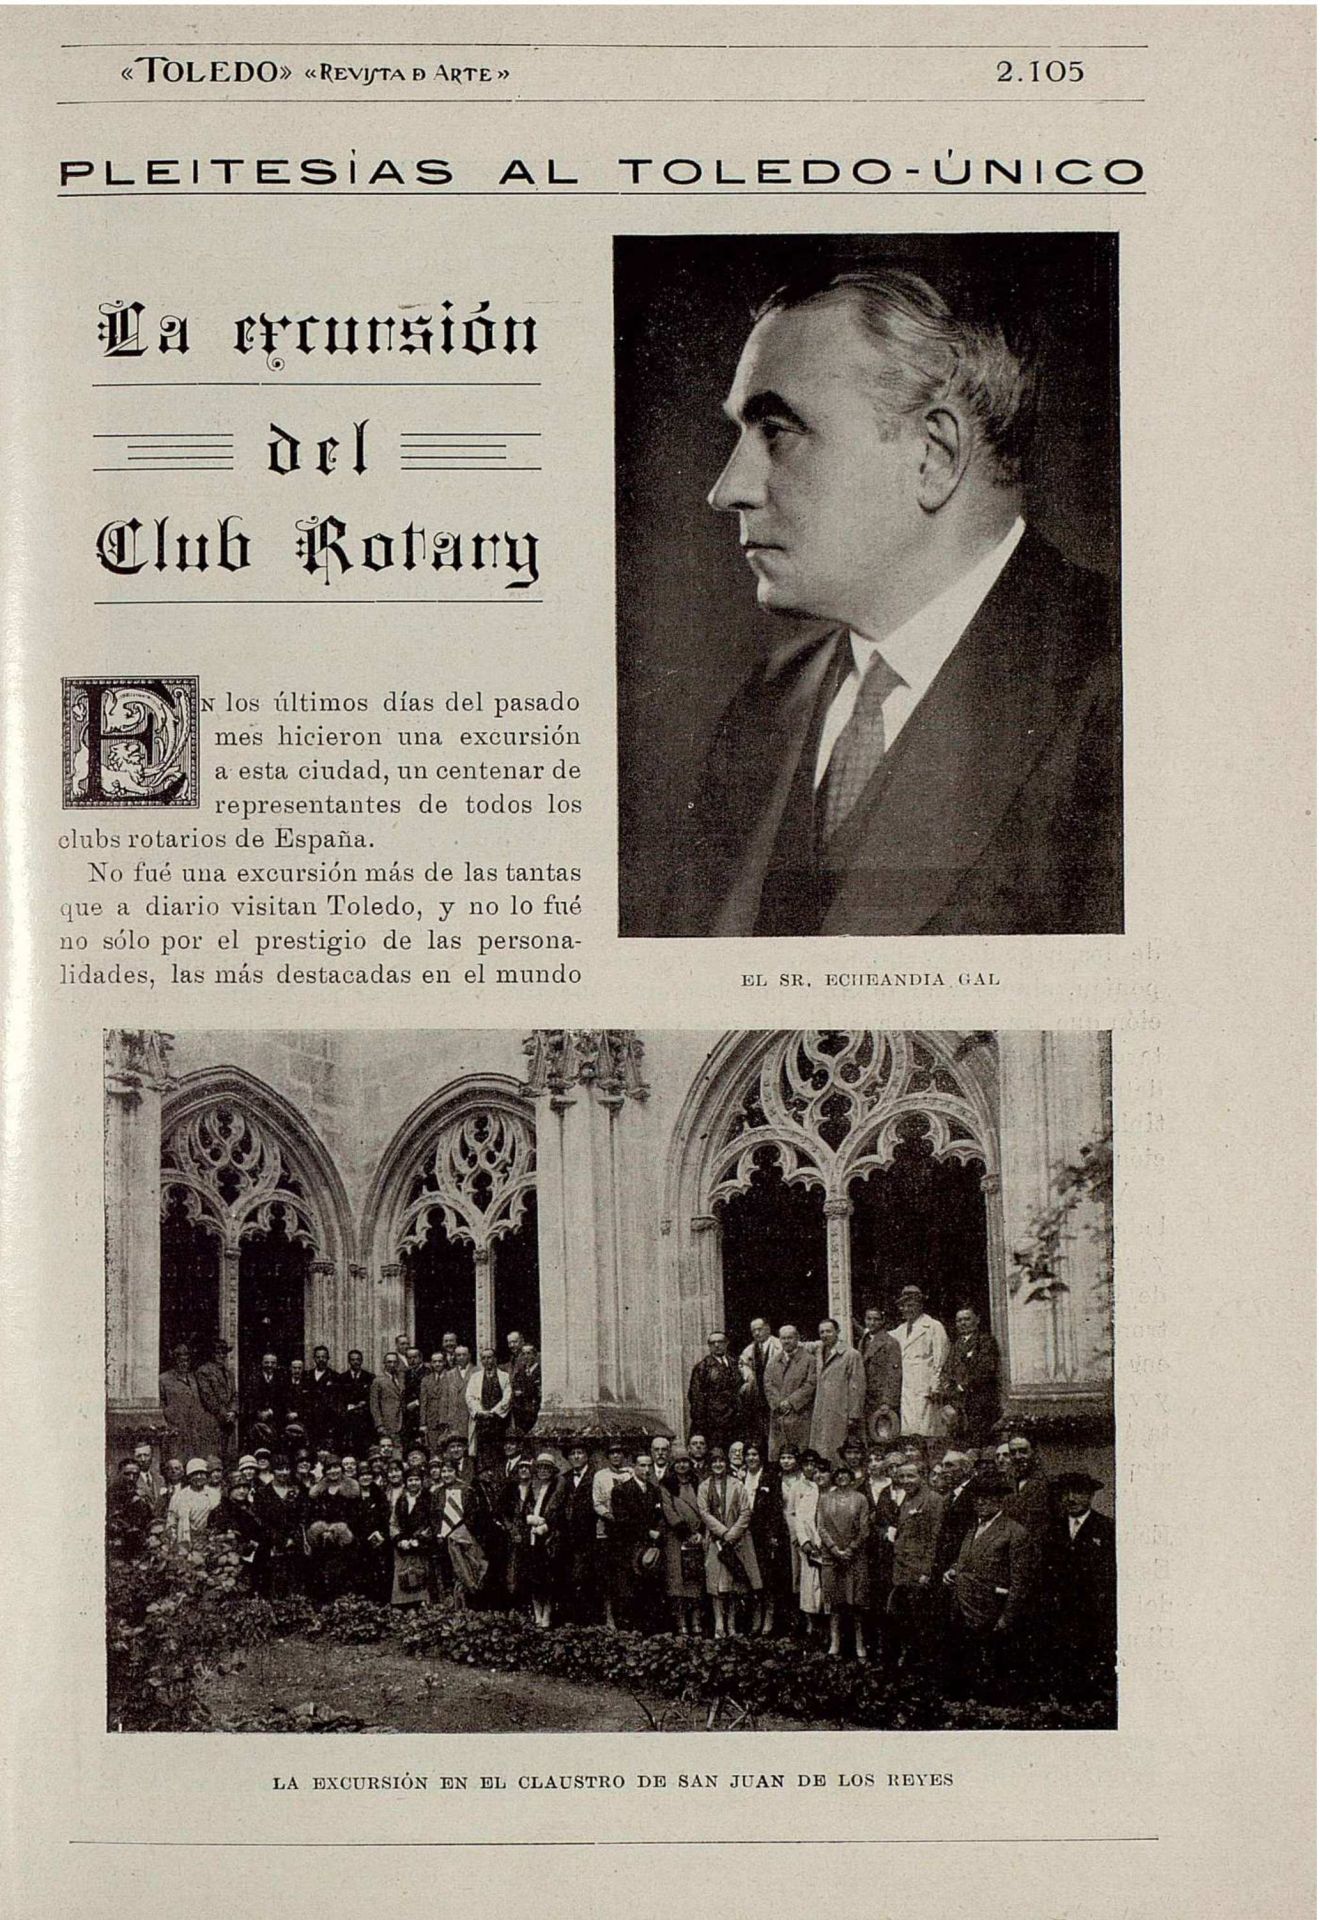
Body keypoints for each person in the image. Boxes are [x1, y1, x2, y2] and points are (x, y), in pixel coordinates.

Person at [677, 260, 1121, 938]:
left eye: (778, 431)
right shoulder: (766, 706)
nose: (727, 488)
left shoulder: (1126, 683)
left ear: (934, 455)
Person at [943, 1465, 1033, 1699]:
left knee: (992, 1676)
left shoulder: (1014, 1532)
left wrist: (1006, 1618)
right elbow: (966, 1561)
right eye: (977, 1498)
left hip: (990, 1612)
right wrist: (951, 1571)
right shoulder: (972, 1529)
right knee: (964, 1670)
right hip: (963, 1606)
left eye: (988, 1498)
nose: (981, 1503)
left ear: (1000, 1501)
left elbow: (1020, 1583)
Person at [1040, 1471, 1117, 1699]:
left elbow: (1109, 1575)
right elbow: (1046, 1571)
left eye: (1078, 1492)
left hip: (1091, 1613)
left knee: (1090, 1665)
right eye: (1066, 1493)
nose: (1071, 1498)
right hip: (1059, 1610)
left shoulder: (1105, 1528)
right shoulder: (1053, 1528)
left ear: (1090, 1496)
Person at [885, 1457, 945, 1673]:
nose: (906, 1480)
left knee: (921, 1621)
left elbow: (934, 1539)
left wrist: (926, 1571)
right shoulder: (907, 1499)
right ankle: (906, 1662)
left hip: (918, 1570)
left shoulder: (933, 1500)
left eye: (911, 1475)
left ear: (923, 1476)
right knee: (903, 1618)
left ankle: (921, 1666)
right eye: (901, 1476)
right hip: (902, 1567)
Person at [697, 1445, 760, 1637]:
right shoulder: (704, 1486)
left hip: (737, 1541)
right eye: (714, 1461)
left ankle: (731, 1624)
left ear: (726, 1463)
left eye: (721, 1461)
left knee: (734, 1585)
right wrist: (723, 1532)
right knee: (717, 1585)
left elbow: (745, 1511)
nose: (718, 1464)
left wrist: (732, 1534)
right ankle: (719, 1624)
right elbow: (704, 1512)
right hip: (716, 1541)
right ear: (710, 1464)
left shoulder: (737, 1484)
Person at [817, 1459, 872, 1660]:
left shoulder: (860, 1499)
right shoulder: (824, 1498)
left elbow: (865, 1529)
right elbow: (821, 1526)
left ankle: (859, 1642)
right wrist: (834, 1549)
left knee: (856, 1602)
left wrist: (849, 1549)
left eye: (845, 1473)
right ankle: (835, 1641)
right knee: (835, 1602)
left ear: (851, 1476)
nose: (841, 1477)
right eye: (838, 1473)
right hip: (832, 1557)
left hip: (854, 1557)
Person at [742, 1441, 790, 1635]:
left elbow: (776, 1509)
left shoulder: (770, 1478)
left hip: (764, 1533)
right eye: (748, 1455)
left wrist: (773, 1534)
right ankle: (756, 1616)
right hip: (745, 1532)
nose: (751, 1458)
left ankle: (768, 1618)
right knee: (751, 1577)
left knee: (767, 1577)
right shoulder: (741, 1476)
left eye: (755, 1454)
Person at [659, 1447, 707, 1636]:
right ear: (673, 1464)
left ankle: (696, 1621)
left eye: (685, 1461)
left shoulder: (698, 1482)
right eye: (678, 1462)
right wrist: (685, 1533)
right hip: (675, 1538)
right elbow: (669, 1511)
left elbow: (705, 1507)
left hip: (697, 1537)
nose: (681, 1465)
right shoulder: (666, 1485)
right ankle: (681, 1624)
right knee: (677, 1582)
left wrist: (700, 1532)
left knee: (694, 1581)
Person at [889, 1287, 949, 1438]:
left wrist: (936, 1385)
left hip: (925, 1383)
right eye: (903, 1306)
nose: (906, 1309)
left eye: (911, 1305)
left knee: (926, 1427)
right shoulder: (900, 1330)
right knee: (908, 1428)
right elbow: (882, 1338)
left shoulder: (934, 1326)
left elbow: (941, 1358)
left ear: (920, 1305)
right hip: (907, 1384)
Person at [936, 1307, 1001, 1446]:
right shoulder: (956, 1345)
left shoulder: (985, 1341)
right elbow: (946, 1369)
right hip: (958, 1404)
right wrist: (947, 1386)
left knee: (979, 1442)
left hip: (979, 1402)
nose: (962, 1323)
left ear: (977, 1320)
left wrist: (961, 1386)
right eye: (959, 1320)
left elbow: (985, 1369)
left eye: (967, 1319)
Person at [808, 1318, 866, 1465]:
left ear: (838, 1332)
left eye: (828, 1331)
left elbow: (857, 1387)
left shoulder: (851, 1355)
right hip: (821, 1410)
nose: (825, 1335)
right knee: (820, 1451)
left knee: (838, 1450)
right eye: (821, 1332)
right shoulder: (819, 1352)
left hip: (840, 1411)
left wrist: (853, 1415)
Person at [559, 1439, 601, 1623]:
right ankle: (572, 1619)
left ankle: (590, 1620)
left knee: (589, 1576)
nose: (576, 1456)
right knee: (569, 1576)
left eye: (580, 1453)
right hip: (568, 1535)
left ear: (586, 1456)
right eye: (573, 1454)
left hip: (589, 1534)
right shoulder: (565, 1478)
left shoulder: (595, 1476)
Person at [251, 1456, 306, 1598]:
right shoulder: (262, 1493)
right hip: (271, 1545)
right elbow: (260, 1521)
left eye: (287, 1469)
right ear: (273, 1471)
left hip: (294, 1545)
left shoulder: (297, 1491)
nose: (284, 1472)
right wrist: (279, 1540)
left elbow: (302, 1517)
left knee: (295, 1585)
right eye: (280, 1469)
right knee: (272, 1585)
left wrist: (294, 1538)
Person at [763, 1323, 816, 1460]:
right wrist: (778, 1403)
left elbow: (810, 1384)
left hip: (800, 1415)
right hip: (778, 1415)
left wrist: (791, 1402)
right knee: (778, 1454)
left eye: (790, 1338)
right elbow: (768, 1384)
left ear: (797, 1338)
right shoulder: (773, 1361)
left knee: (800, 1453)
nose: (786, 1341)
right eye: (783, 1338)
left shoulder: (809, 1360)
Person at [158, 1345, 214, 1464]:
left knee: (195, 1462)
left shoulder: (194, 1378)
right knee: (176, 1462)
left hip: (194, 1430)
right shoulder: (163, 1379)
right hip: (176, 1430)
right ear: (175, 1361)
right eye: (180, 1360)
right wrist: (167, 1424)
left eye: (187, 1360)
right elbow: (161, 1404)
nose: (184, 1364)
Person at [687, 1331, 742, 1451]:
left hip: (734, 1421)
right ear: (709, 1346)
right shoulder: (702, 1367)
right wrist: (703, 1424)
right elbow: (696, 1397)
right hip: (714, 1423)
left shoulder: (737, 1363)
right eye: (713, 1343)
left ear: (726, 1343)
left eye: (720, 1342)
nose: (717, 1345)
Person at [857, 1306, 903, 1444]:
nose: (872, 1323)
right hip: (866, 1397)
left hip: (880, 1398)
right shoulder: (863, 1340)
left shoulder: (890, 1342)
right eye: (869, 1319)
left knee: (882, 1436)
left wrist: (887, 1401)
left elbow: (894, 1374)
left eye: (876, 1319)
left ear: (882, 1321)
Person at [465, 1348, 513, 1479]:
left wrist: (494, 1412)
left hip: (499, 1421)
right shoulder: (475, 1377)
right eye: (484, 1358)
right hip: (482, 1421)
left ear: (495, 1359)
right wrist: (481, 1412)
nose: (487, 1361)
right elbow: (470, 1397)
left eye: (490, 1357)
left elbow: (507, 1397)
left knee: (499, 1451)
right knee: (482, 1451)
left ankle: (500, 1477)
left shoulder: (504, 1376)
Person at [389, 1466, 434, 1607]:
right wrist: (399, 1539)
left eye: (416, 1480)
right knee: (402, 1580)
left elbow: (433, 1523)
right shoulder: (401, 1500)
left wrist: (419, 1538)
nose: (413, 1483)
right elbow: (393, 1522)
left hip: (421, 1546)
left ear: (421, 1481)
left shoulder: (429, 1499)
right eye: (410, 1480)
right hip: (402, 1546)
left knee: (421, 1579)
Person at [737, 1317, 782, 1452]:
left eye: (759, 1329)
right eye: (753, 1331)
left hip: (776, 1393)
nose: (756, 1333)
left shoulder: (779, 1345)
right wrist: (748, 1374)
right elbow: (742, 1364)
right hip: (758, 1396)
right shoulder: (750, 1349)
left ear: (767, 1328)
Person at [195, 1340, 238, 1466]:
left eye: (224, 1353)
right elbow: (207, 1396)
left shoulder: (229, 1373)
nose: (221, 1356)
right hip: (213, 1419)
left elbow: (234, 1394)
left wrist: (233, 1411)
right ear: (212, 1354)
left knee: (229, 1456)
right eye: (218, 1353)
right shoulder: (204, 1371)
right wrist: (224, 1414)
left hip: (228, 1420)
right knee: (214, 1457)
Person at [108, 1458, 156, 1556]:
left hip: (138, 1550)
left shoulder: (141, 1494)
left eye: (136, 1475)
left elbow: (150, 1521)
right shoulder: (108, 1495)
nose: (131, 1478)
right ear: (119, 1473)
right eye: (127, 1474)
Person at [165, 1457, 214, 1552]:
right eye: (195, 1474)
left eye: (202, 1473)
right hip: (183, 1542)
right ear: (189, 1476)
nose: (199, 1477)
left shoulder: (214, 1495)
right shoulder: (178, 1497)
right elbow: (171, 1523)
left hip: (207, 1543)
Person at [337, 1350, 375, 1459]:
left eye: (358, 1359)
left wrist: (364, 1403)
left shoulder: (370, 1377)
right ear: (349, 1361)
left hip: (364, 1419)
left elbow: (372, 1397)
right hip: (347, 1419)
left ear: (362, 1361)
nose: (355, 1362)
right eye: (353, 1360)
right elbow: (339, 1397)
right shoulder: (342, 1378)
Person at [369, 1350, 406, 1446]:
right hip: (387, 1422)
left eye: (395, 1362)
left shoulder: (402, 1378)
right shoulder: (378, 1381)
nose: (392, 1365)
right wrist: (379, 1424)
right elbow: (374, 1405)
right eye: (389, 1362)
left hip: (402, 1421)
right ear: (384, 1363)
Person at [510, 1344, 543, 1436]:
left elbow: (538, 1392)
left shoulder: (541, 1372)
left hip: (535, 1410)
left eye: (529, 1353)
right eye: (523, 1354)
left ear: (535, 1355)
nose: (526, 1357)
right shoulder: (520, 1372)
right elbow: (515, 1390)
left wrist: (524, 1392)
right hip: (522, 1412)